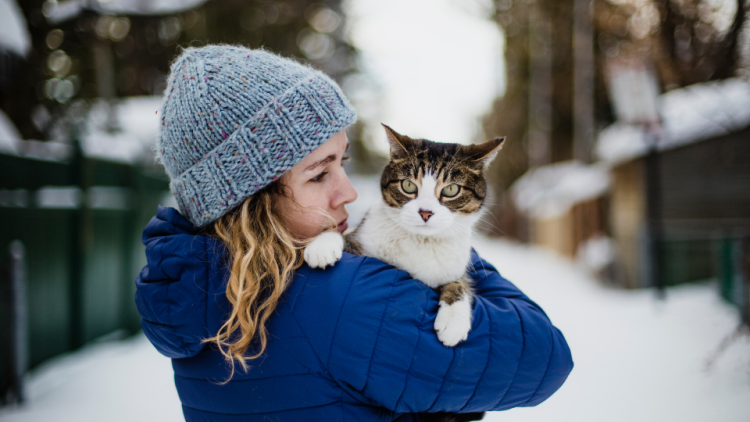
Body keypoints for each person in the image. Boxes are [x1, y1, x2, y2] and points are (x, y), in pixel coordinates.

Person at [135, 45, 573, 422]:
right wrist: (452, 236)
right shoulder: (346, 298)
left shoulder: (191, 291)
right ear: (251, 196)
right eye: (319, 174)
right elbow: (544, 356)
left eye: (342, 163)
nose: (347, 192)